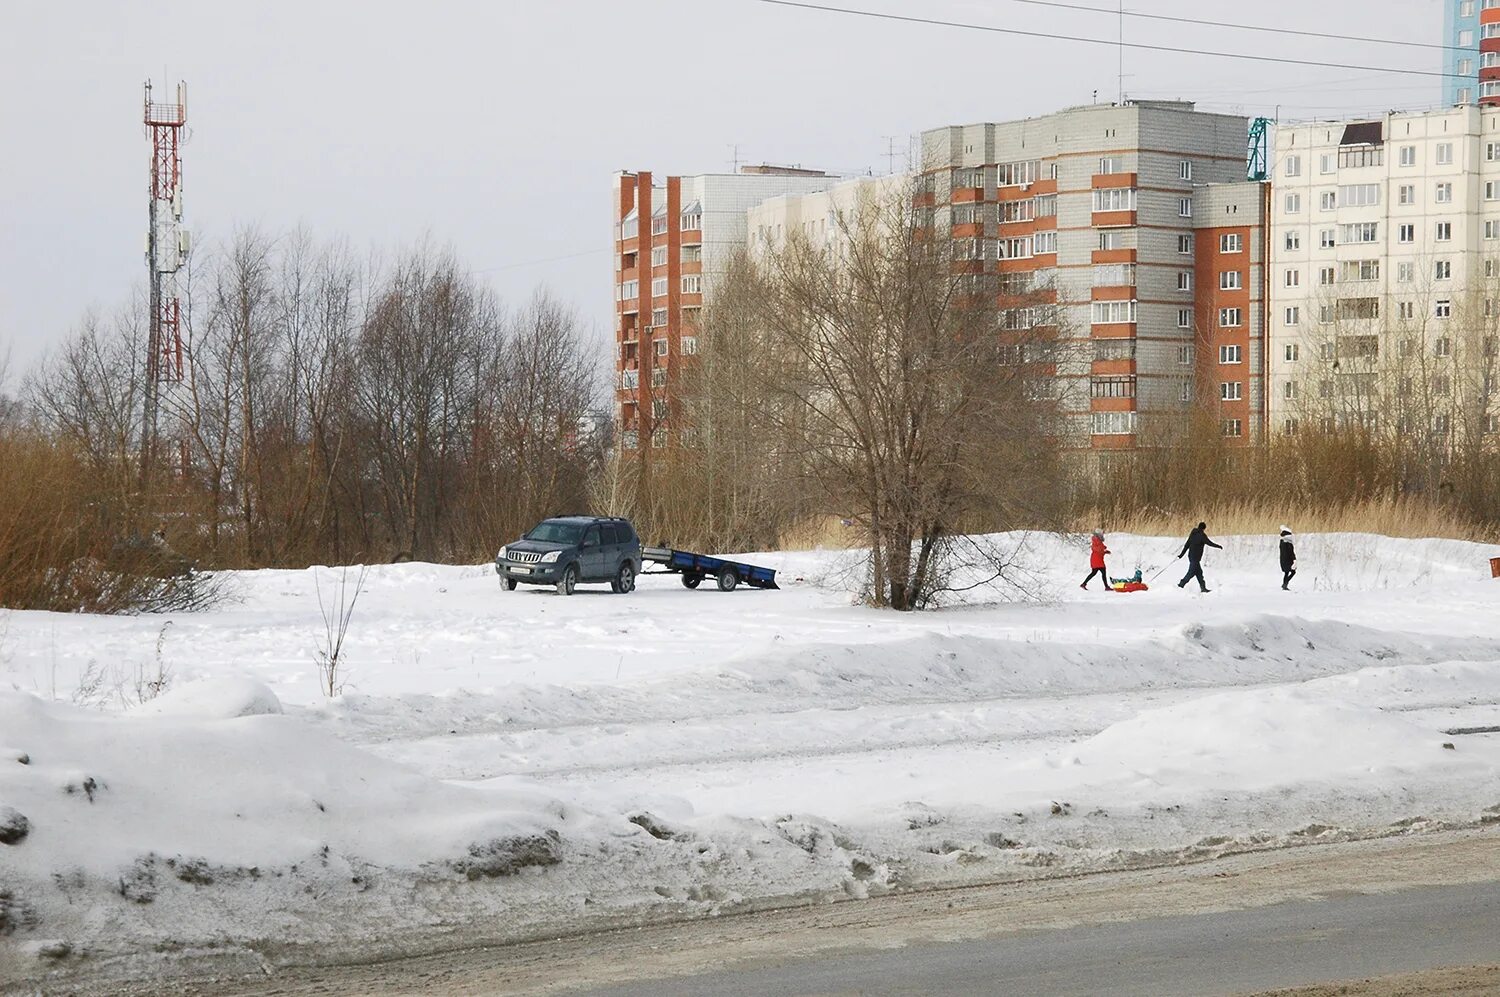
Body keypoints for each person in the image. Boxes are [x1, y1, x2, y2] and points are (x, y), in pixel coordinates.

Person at [1177, 521, 1222, 593]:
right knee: (1191, 572)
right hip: (1195, 558)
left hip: (1191, 556)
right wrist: (1218, 546)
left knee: (1199, 573)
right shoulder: (1202, 535)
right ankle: (1181, 585)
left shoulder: (1193, 534)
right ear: (1204, 528)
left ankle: (1203, 588)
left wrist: (1181, 555)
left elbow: (1187, 545)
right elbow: (1209, 543)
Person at [1279, 526, 1297, 590]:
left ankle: (1285, 585)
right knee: (1293, 572)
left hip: (1282, 560)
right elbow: (1291, 552)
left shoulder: (1281, 542)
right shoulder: (1289, 543)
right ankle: (1285, 584)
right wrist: (1294, 560)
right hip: (1288, 560)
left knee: (1286, 573)